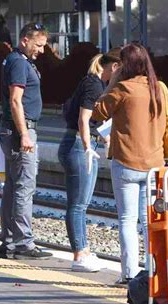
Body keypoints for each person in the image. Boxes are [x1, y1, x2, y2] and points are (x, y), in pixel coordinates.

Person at [92, 43, 166, 283]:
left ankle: (130, 274)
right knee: (149, 222)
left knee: (127, 220)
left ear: (125, 65)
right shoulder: (160, 89)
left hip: (127, 163)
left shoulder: (122, 89)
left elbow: (97, 113)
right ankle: (154, 271)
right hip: (155, 164)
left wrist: (112, 81)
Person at [58, 48, 121, 272]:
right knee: (78, 205)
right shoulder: (93, 85)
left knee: (81, 204)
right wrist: (87, 147)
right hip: (77, 146)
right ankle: (79, 255)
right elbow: (84, 120)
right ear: (114, 67)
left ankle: (83, 250)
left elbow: (94, 123)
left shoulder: (97, 83)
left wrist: (102, 141)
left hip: (81, 144)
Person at [0, 22, 52, 260]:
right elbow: (16, 100)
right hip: (21, 131)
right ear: (25, 40)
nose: (41, 50)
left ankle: (9, 243)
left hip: (11, 130)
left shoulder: (14, 60)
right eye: (38, 45)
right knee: (24, 187)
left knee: (12, 186)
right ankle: (23, 242)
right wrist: (25, 134)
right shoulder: (19, 63)